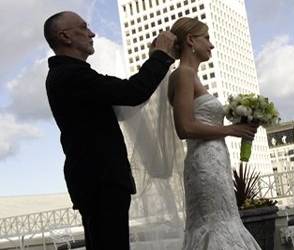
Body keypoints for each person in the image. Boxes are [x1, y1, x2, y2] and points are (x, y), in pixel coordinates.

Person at [43, 11, 176, 250]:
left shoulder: (70, 74)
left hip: (96, 182)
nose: (91, 33)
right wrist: (162, 55)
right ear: (65, 37)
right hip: (101, 182)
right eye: (83, 28)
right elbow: (132, 92)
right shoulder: (71, 75)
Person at [167, 17, 262, 249]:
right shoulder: (184, 74)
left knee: (225, 222)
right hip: (204, 165)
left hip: (216, 161)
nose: (211, 45)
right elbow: (184, 127)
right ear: (191, 40)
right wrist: (231, 130)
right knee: (215, 224)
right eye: (207, 38)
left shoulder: (192, 76)